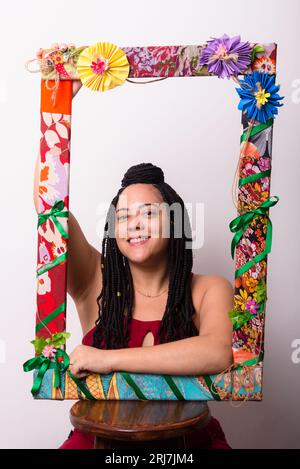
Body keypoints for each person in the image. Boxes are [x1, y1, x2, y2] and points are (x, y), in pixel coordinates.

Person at [34, 43, 234, 450]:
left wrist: (104, 359)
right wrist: (55, 114)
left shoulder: (208, 289)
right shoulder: (94, 279)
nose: (134, 224)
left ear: (176, 223)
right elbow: (47, 203)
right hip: (99, 442)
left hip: (186, 445)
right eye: (123, 216)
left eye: (148, 213)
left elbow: (217, 352)